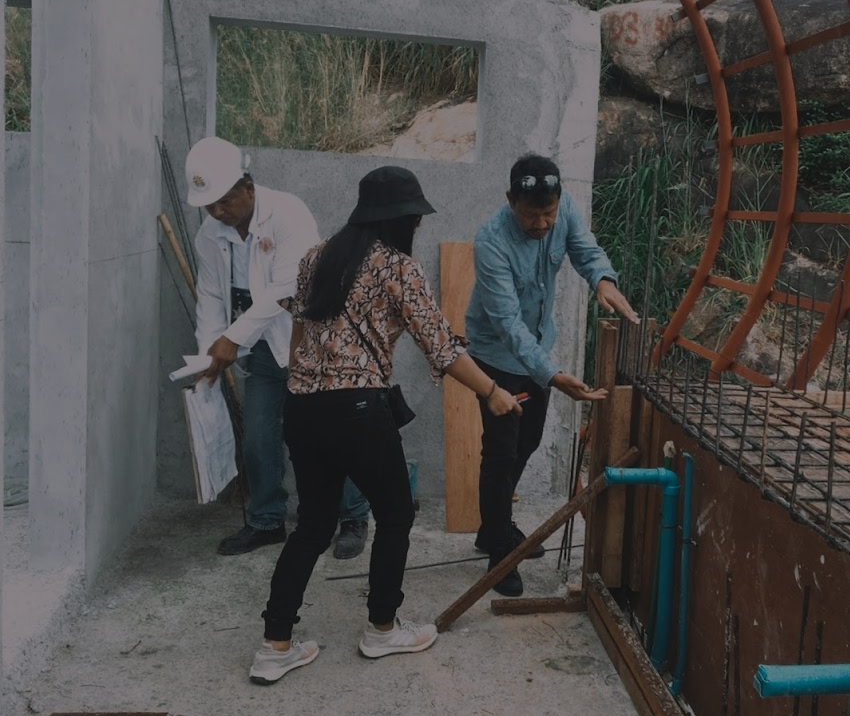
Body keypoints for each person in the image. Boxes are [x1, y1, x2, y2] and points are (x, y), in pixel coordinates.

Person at [248, 165, 521, 685]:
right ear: (399, 220)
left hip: (302, 407)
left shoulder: (315, 258)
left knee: (311, 525)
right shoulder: (398, 268)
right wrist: (493, 392)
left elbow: (298, 335)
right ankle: (381, 629)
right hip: (356, 409)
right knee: (395, 515)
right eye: (415, 220)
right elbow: (440, 347)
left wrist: (301, 388)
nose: (417, 229)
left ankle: (275, 645)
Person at [186, 136, 371, 559]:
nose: (217, 212)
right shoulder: (208, 236)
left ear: (247, 188)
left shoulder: (288, 213)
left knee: (333, 434)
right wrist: (207, 357)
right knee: (259, 438)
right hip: (266, 350)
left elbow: (288, 286)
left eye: (224, 201)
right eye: (209, 205)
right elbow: (211, 298)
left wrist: (233, 338)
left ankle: (354, 517)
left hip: (315, 341)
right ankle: (267, 521)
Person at [466, 154, 639, 597]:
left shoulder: (564, 212)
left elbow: (585, 249)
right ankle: (500, 552)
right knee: (501, 451)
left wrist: (602, 279)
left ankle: (494, 526)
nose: (542, 224)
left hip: (537, 352)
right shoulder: (491, 241)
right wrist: (554, 375)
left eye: (549, 214)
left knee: (528, 441)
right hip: (497, 358)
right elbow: (507, 324)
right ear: (511, 201)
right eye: (531, 215)